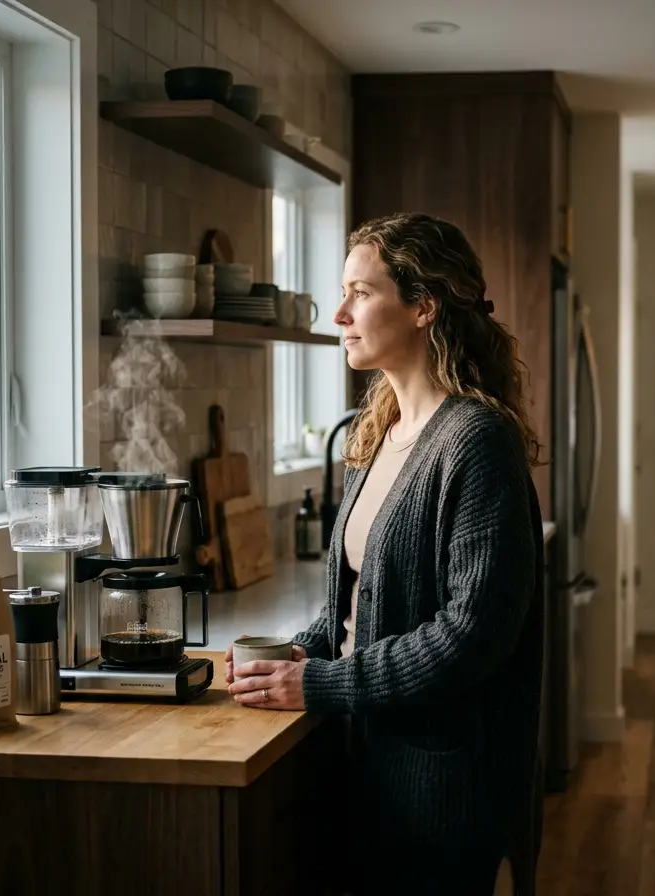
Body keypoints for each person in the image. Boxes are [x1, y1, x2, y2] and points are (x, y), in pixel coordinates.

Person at [224, 212, 545, 895]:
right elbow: (356, 598)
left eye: (360, 293)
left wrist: (319, 683)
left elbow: (474, 635)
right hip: (372, 767)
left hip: (442, 787)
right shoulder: (386, 432)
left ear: (424, 305)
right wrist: (286, 655)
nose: (340, 312)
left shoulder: (475, 440)